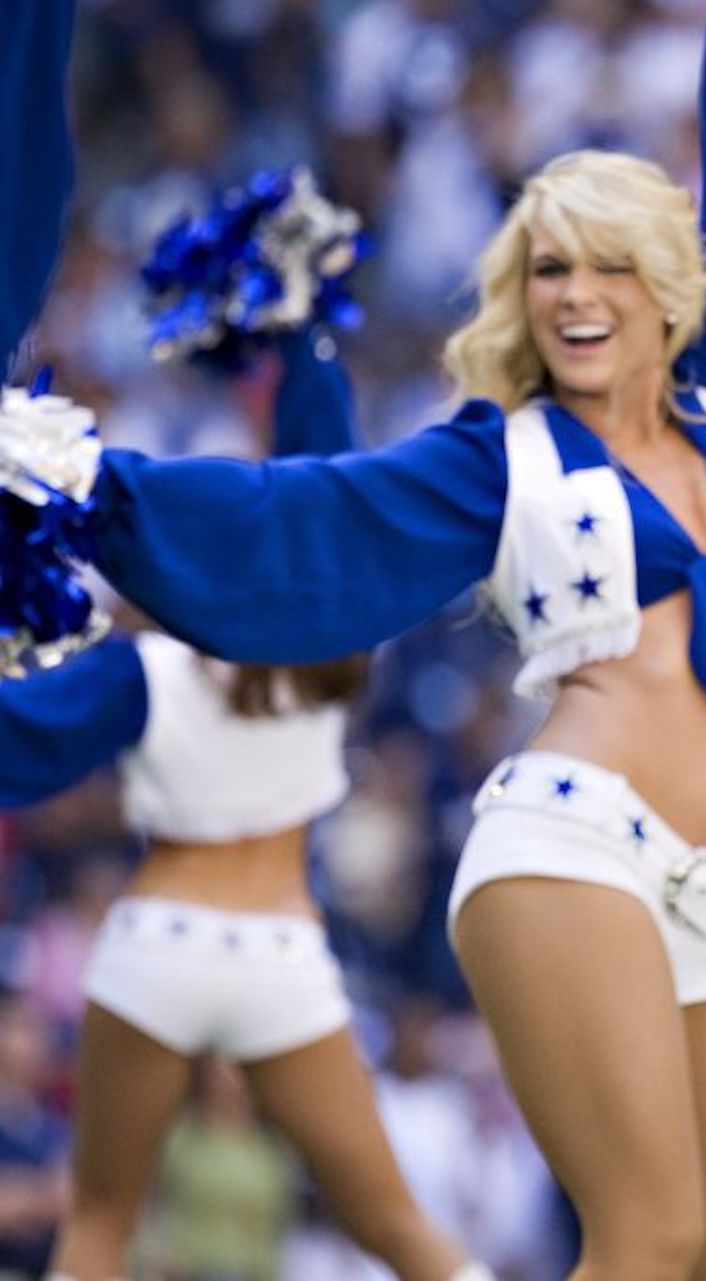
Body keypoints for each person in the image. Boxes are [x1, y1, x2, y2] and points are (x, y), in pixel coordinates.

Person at [13, 0, 706, 1272]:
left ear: (668, 284)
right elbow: (299, 521)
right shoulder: (500, 458)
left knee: (694, 1256)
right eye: (547, 268)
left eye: (606, 265)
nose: (575, 295)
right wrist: (78, 486)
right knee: (649, 1234)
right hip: (570, 848)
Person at [0, 335, 484, 1281]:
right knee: (401, 1231)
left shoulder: (141, 669)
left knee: (99, 1226)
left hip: (157, 944)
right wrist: (310, 346)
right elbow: (333, 493)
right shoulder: (330, 663)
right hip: (279, 957)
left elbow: (17, 742)